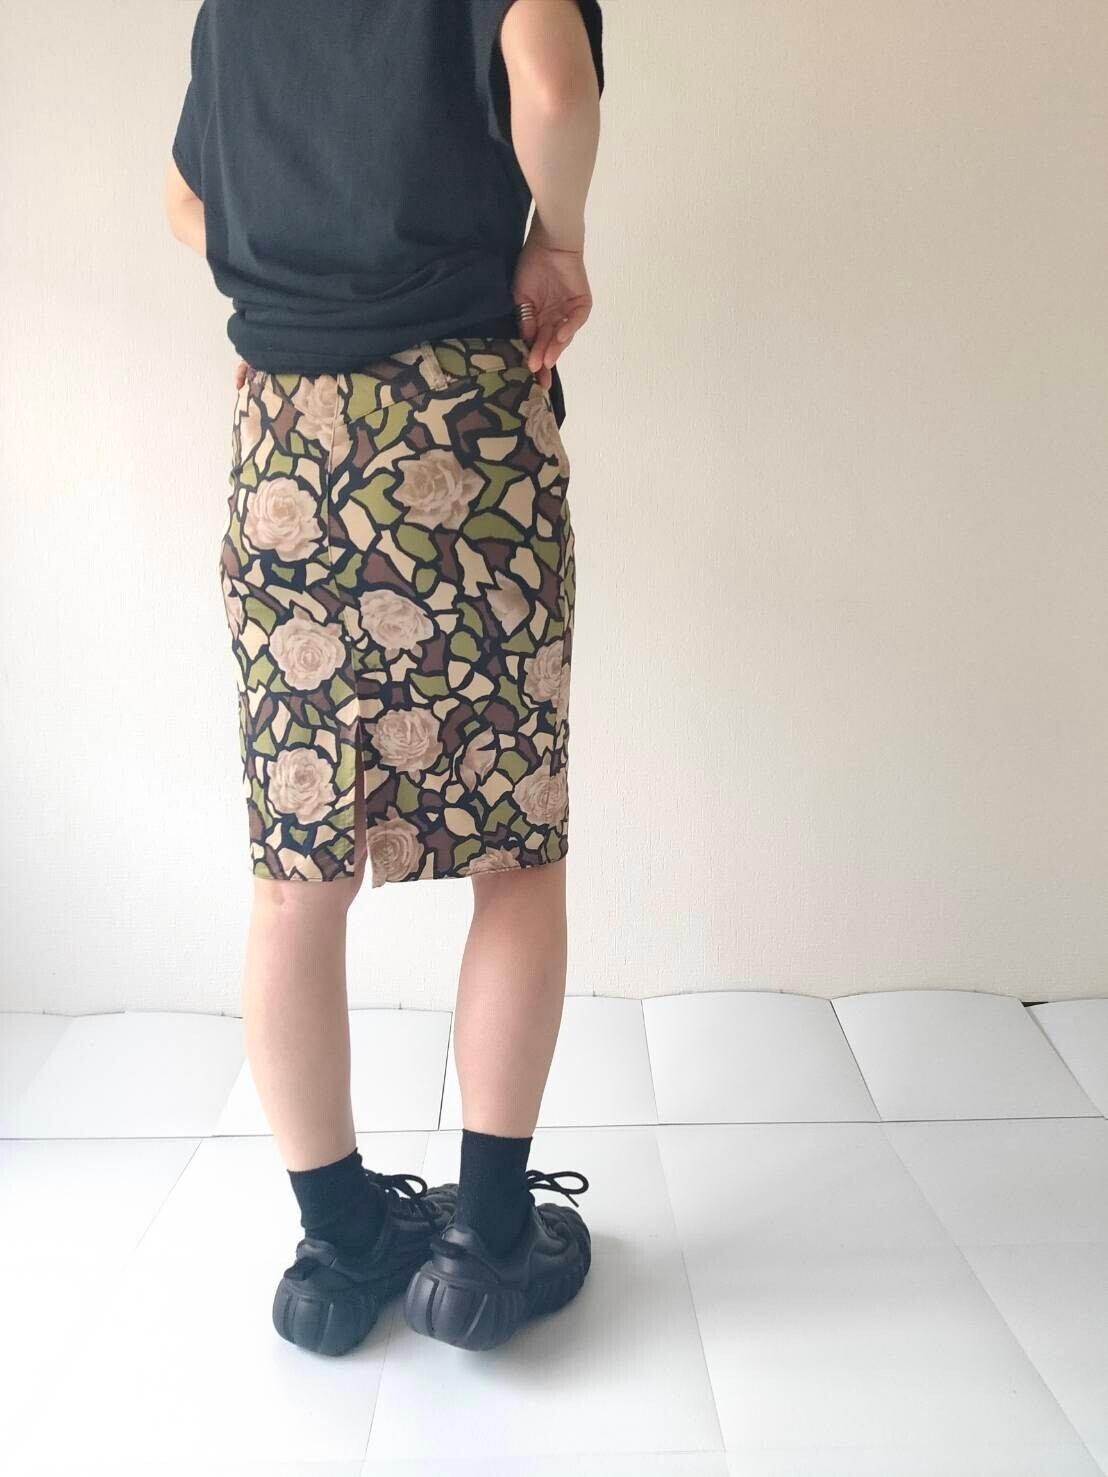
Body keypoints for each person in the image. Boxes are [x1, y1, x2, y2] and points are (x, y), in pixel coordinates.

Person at [164, 0, 604, 1356]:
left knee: (296, 877)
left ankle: (336, 1247)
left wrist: (296, 281)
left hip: (285, 445)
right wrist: (557, 238)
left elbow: (186, 200)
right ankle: (484, 1247)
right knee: (513, 856)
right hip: (458, 435)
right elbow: (551, 81)